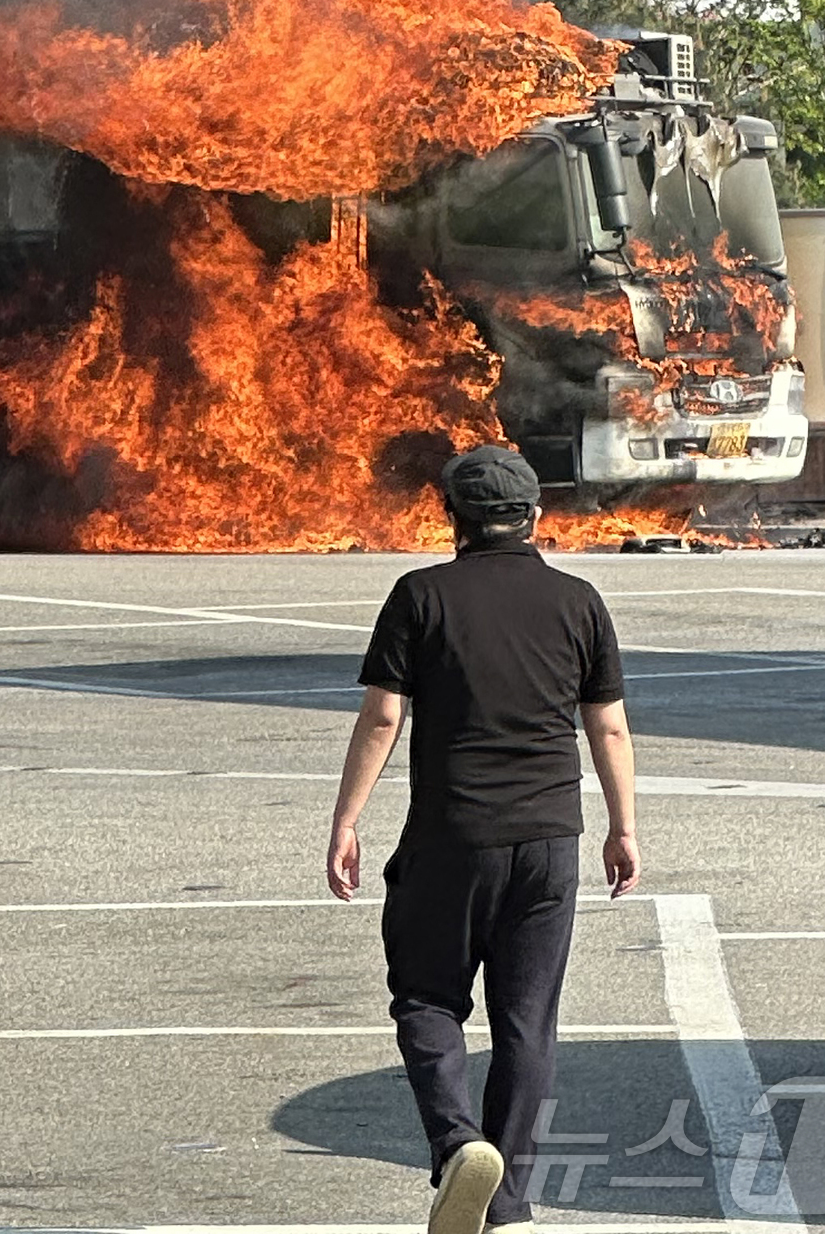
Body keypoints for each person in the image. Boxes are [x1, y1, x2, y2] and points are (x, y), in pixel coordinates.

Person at [327, 446, 638, 1234]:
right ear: (537, 516)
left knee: (427, 996)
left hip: (452, 836)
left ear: (452, 519)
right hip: (549, 838)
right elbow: (606, 724)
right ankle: (506, 1202)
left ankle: (458, 1142)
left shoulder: (419, 595)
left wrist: (346, 820)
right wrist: (622, 826)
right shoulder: (579, 601)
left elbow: (383, 716)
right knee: (527, 1020)